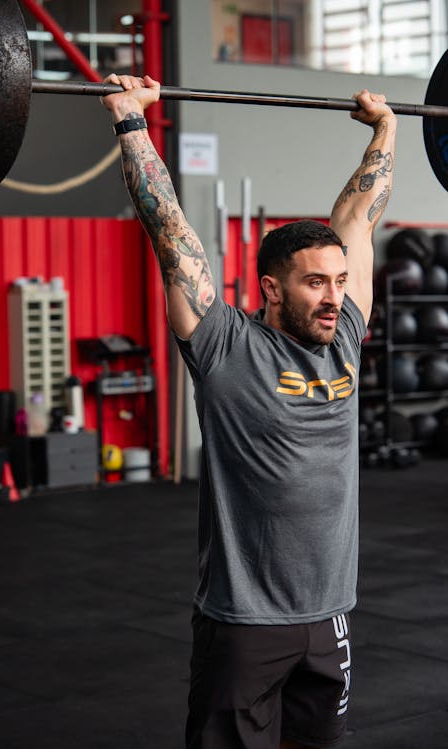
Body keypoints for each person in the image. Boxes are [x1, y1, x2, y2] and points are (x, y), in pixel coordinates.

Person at [102, 75, 397, 749]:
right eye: (315, 281)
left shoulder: (345, 334)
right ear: (271, 287)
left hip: (331, 618)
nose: (333, 296)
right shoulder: (225, 344)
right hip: (244, 622)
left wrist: (386, 130)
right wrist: (129, 121)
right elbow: (169, 229)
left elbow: (359, 217)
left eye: (340, 280)